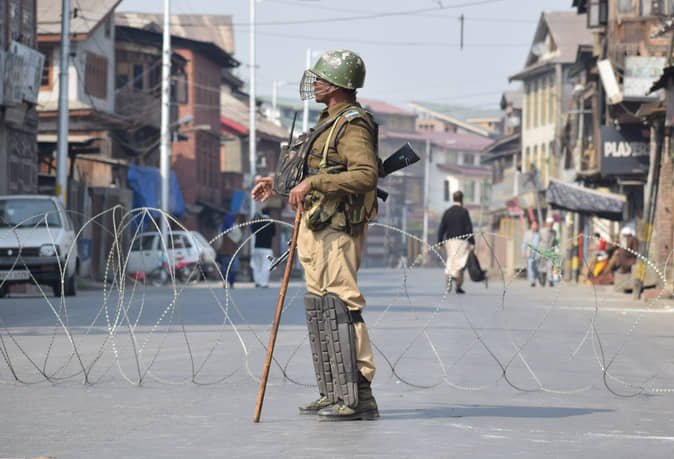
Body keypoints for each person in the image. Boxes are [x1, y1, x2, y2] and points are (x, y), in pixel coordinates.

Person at [251, 49, 379, 421]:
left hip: (338, 228)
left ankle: (359, 392)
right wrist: (279, 185)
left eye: (322, 79)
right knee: (321, 307)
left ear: (338, 85)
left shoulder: (352, 124)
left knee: (342, 304)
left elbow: (366, 174)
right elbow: (320, 171)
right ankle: (334, 390)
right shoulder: (328, 122)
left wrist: (315, 183)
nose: (316, 84)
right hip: (316, 224)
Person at [437, 190, 475, 294]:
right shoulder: (464, 212)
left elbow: (442, 228)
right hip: (462, 242)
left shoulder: (447, 212)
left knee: (451, 259)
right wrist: (472, 242)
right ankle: (458, 285)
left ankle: (449, 275)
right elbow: (468, 228)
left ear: (453, 199)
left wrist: (440, 242)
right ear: (462, 199)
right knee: (461, 263)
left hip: (450, 241)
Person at [250, 208, 276, 288]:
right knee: (266, 265)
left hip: (257, 248)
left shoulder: (258, 221)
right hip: (267, 249)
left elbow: (252, 230)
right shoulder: (271, 222)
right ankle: (263, 283)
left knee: (257, 265)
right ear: (269, 213)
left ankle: (257, 281)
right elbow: (274, 233)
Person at [217, 211, 242, 288]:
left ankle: (229, 282)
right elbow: (238, 238)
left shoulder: (231, 227)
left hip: (229, 251)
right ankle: (227, 283)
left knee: (230, 269)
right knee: (227, 269)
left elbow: (239, 237)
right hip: (227, 251)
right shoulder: (225, 227)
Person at [537, 216, 556, 287]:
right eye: (549, 224)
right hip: (542, 251)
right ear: (546, 224)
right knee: (542, 267)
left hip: (550, 251)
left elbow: (554, 242)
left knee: (550, 266)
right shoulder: (541, 231)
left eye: (551, 224)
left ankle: (550, 280)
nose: (550, 225)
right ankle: (542, 278)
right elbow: (538, 241)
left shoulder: (554, 232)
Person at [521, 220, 540, 287]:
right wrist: (523, 252)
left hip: (538, 253)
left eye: (536, 225)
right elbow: (524, 243)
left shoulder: (539, 234)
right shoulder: (527, 233)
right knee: (530, 267)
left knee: (536, 267)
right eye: (533, 225)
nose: (534, 226)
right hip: (530, 252)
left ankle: (539, 277)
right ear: (531, 226)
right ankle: (532, 281)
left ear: (538, 226)